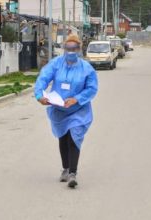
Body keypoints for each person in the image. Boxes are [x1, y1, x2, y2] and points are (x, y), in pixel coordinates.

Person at [34, 34, 98, 188]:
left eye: (74, 48)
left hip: (78, 110)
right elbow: (43, 79)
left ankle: (72, 174)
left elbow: (92, 88)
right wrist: (39, 95)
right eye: (68, 48)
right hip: (59, 109)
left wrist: (76, 99)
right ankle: (65, 168)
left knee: (73, 136)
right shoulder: (55, 64)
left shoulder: (86, 68)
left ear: (79, 49)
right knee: (63, 138)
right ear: (64, 49)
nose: (71, 51)